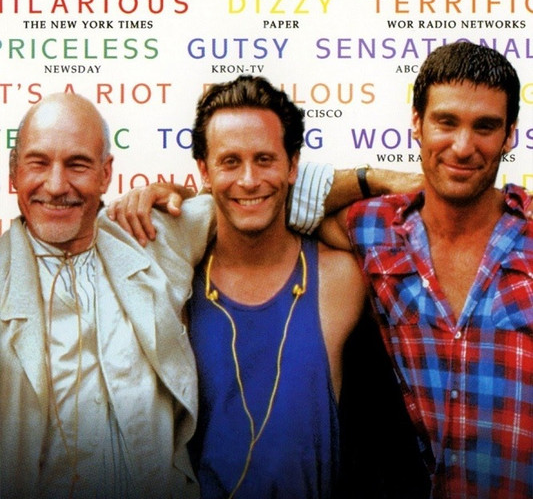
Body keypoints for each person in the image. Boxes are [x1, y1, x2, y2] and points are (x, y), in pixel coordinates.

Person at [322, 42, 532, 499]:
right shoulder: (374, 228)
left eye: (485, 126)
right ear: (416, 123)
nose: (463, 146)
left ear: (509, 136)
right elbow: (270, 199)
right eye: (446, 122)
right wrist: (378, 178)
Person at [1, 93, 214, 499]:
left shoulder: (149, 236)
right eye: (38, 163)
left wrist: (176, 193)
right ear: (14, 174)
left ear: (105, 174)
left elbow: (254, 197)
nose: (56, 185)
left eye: (77, 164)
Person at [185, 76, 365, 499]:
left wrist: (374, 178)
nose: (249, 180)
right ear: (204, 171)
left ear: (293, 165)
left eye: (264, 159)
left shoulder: (341, 277)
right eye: (230, 162)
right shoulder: (177, 284)